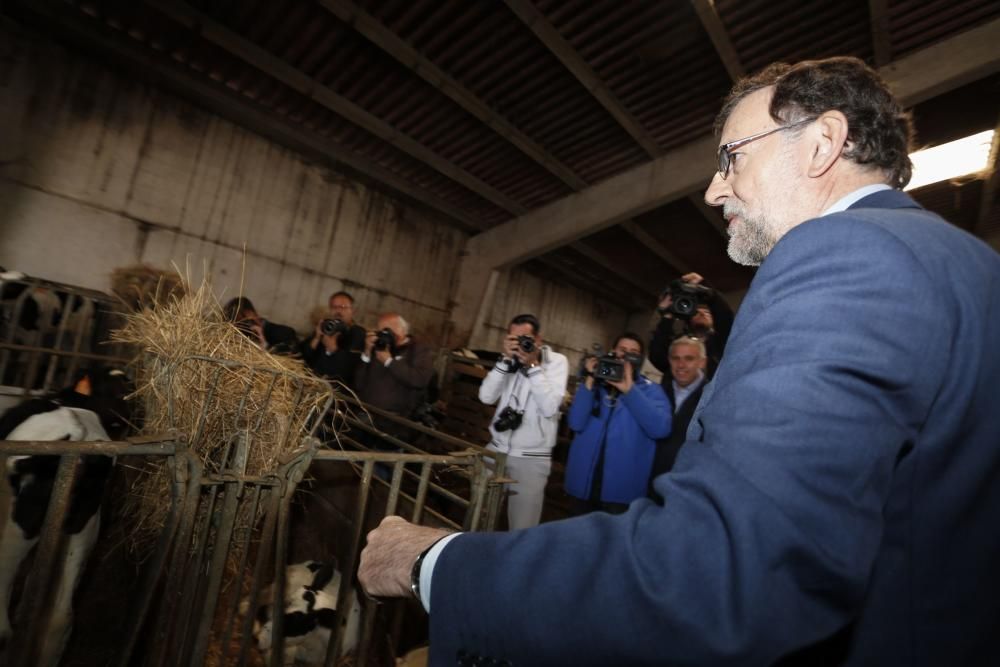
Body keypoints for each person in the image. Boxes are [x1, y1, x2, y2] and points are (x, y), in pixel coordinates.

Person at [357, 57, 1000, 666]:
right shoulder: (972, 267)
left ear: (822, 142)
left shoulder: (844, 255)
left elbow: (724, 574)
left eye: (731, 157)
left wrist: (432, 562)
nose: (715, 188)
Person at [478, 314, 568, 529]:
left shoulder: (556, 361)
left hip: (531, 456)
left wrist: (533, 366)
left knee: (522, 526)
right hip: (496, 448)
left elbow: (549, 408)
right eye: (514, 338)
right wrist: (503, 361)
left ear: (538, 338)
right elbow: (486, 397)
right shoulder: (509, 361)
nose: (519, 344)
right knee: (479, 513)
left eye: (524, 338)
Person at [564, 333, 670, 515]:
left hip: (622, 493)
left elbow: (660, 429)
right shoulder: (595, 387)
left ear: (641, 359)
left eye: (633, 352)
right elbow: (575, 423)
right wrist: (589, 379)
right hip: (583, 486)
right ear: (612, 352)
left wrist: (629, 390)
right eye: (622, 350)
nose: (626, 356)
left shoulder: (652, 391)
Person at [647, 336, 707, 496]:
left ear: (702, 362)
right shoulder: (655, 393)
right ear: (669, 360)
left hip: (687, 490)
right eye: (676, 358)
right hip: (648, 485)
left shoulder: (713, 399)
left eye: (689, 359)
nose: (681, 365)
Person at [353, 313, 435, 429]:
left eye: (389, 329)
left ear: (403, 330)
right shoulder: (379, 347)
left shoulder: (418, 351)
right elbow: (358, 382)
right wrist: (366, 352)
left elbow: (420, 379)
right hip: (366, 414)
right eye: (381, 331)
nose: (385, 334)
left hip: (394, 421)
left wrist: (389, 361)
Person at [649, 272, 733, 380]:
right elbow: (657, 356)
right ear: (688, 319)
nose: (702, 313)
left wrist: (705, 287)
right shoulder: (677, 343)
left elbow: (725, 317)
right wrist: (667, 315)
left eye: (707, 312)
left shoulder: (721, 342)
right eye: (697, 312)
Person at [299, 291, 366, 389]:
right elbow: (301, 356)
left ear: (352, 310)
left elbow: (352, 367)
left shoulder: (358, 333)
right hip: (313, 386)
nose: (338, 311)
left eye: (343, 307)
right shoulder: (326, 327)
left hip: (337, 392)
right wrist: (317, 338)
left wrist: (333, 348)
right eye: (334, 307)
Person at [223, 297, 298, 355]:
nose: (239, 329)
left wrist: (262, 340)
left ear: (249, 314)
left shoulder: (286, 333)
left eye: (240, 322)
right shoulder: (243, 339)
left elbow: (288, 356)